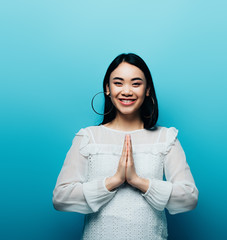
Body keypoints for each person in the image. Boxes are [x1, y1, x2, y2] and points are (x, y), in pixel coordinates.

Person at [52, 53, 199, 240]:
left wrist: (138, 181)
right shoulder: (88, 137)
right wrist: (114, 181)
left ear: (147, 90)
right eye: (118, 83)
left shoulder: (166, 138)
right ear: (107, 88)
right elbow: (61, 198)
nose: (127, 91)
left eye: (136, 83)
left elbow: (189, 197)